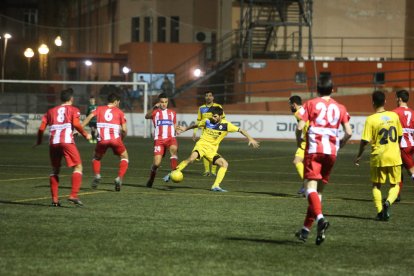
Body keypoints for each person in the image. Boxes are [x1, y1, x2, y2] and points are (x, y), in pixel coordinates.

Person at [294, 76, 352, 245]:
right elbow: (348, 132)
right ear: (332, 89)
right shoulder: (340, 107)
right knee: (317, 194)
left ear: (317, 89)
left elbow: (299, 126)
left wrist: (299, 140)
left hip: (314, 150)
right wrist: (340, 144)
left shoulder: (310, 104)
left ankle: (320, 218)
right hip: (331, 153)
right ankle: (306, 230)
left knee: (309, 188)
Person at [169, 106, 260, 192]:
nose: (213, 117)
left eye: (215, 116)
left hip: (211, 151)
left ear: (220, 116)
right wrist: (185, 128)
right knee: (192, 158)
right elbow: (196, 125)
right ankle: (175, 171)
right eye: (213, 115)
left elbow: (241, 130)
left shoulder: (226, 125)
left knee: (224, 164)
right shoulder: (207, 121)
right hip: (201, 145)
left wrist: (250, 138)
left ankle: (215, 186)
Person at [33, 88, 91, 207]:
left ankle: (55, 200)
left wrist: (39, 141)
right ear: (71, 99)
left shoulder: (50, 111)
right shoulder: (74, 109)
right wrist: (86, 134)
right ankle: (73, 195)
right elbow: (75, 124)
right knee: (78, 167)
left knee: (55, 170)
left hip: (53, 143)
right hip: (66, 142)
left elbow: (41, 129)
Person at [355, 90, 403, 221]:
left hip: (378, 157)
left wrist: (359, 156)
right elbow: (400, 135)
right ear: (385, 101)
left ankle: (380, 211)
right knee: (395, 185)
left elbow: (364, 141)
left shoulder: (371, 119)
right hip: (394, 156)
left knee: (376, 186)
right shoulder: (394, 116)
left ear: (373, 102)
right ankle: (388, 202)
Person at [82, 93, 129, 192]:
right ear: (116, 101)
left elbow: (90, 117)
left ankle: (97, 175)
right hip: (116, 140)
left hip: (102, 140)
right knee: (124, 157)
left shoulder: (99, 109)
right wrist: (122, 138)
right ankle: (119, 178)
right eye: (118, 102)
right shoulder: (120, 112)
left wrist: (79, 128)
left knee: (96, 157)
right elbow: (124, 130)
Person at [145, 93, 179, 188]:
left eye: (166, 102)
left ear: (168, 102)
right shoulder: (155, 112)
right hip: (159, 140)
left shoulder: (172, 113)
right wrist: (153, 107)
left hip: (170, 138)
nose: (164, 104)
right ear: (159, 102)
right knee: (156, 164)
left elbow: (175, 125)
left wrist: (177, 129)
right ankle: (151, 179)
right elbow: (146, 116)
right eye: (162, 102)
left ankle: (174, 172)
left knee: (173, 150)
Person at [193, 90, 225, 177]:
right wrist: (195, 132)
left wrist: (222, 130)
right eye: (207, 95)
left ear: (213, 97)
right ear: (205, 97)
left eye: (210, 95)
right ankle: (207, 171)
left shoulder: (218, 106)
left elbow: (223, 118)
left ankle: (213, 171)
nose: (208, 97)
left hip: (215, 133)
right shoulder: (201, 108)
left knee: (213, 151)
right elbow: (199, 120)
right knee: (204, 152)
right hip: (205, 134)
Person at [392, 89, 414, 202]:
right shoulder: (412, 112)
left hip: (402, 145)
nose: (396, 100)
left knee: (412, 171)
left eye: (396, 98)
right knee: (398, 170)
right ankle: (396, 195)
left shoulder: (395, 112)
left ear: (400, 99)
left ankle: (396, 194)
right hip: (411, 144)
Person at [288, 95, 308, 194]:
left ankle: (308, 185)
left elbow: (299, 128)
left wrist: (298, 141)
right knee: (303, 163)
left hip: (308, 140)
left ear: (294, 104)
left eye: (290, 104)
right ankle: (305, 186)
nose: (289, 107)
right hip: (313, 139)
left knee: (297, 161)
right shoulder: (306, 109)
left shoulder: (298, 113)